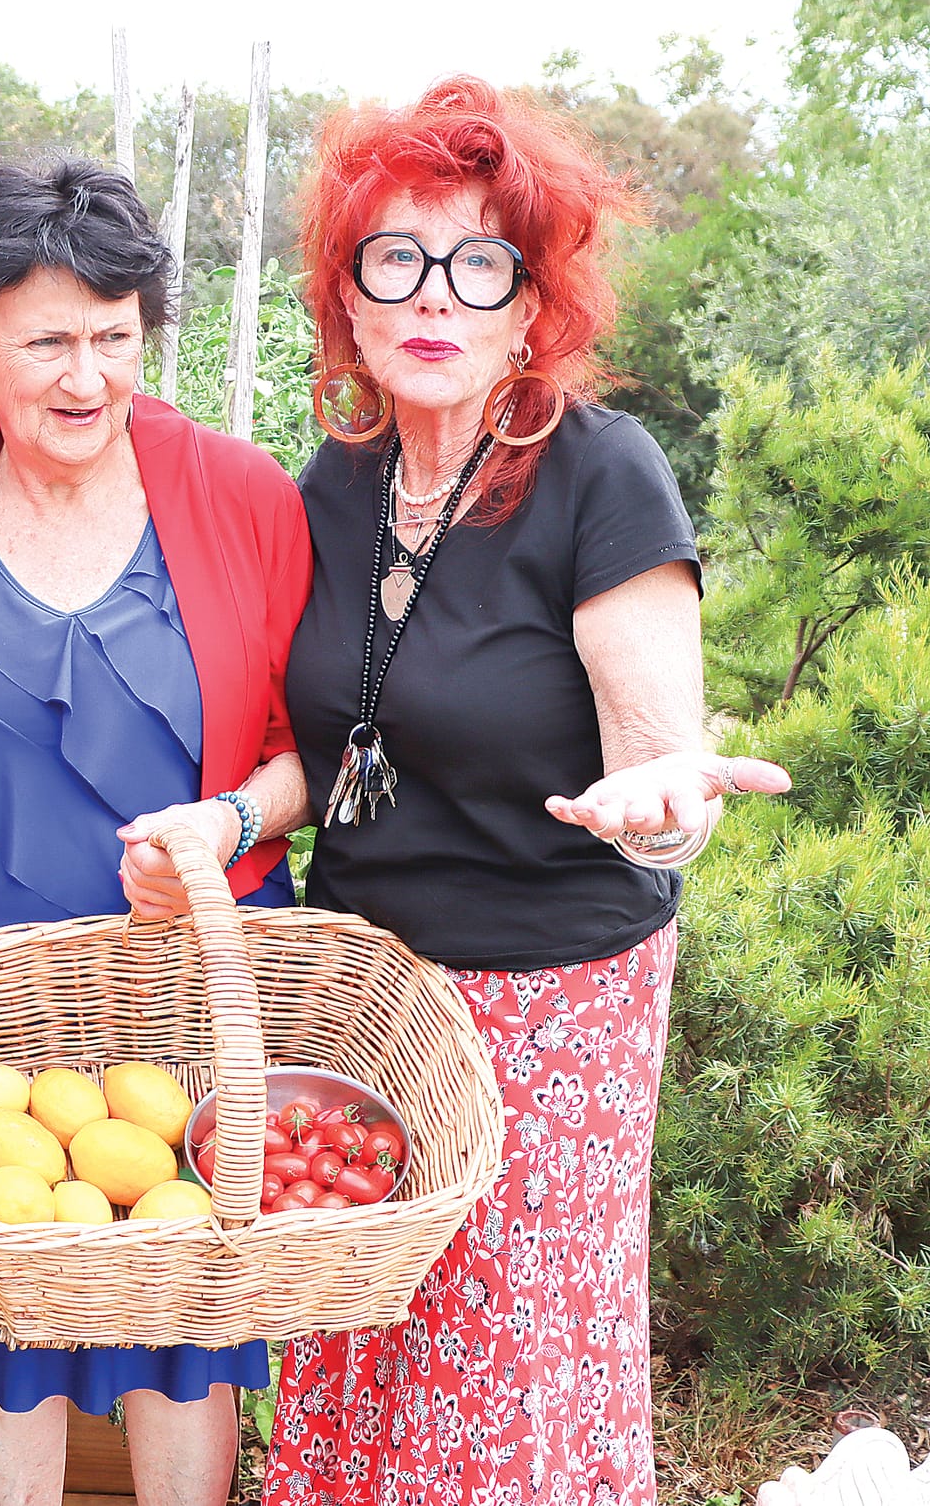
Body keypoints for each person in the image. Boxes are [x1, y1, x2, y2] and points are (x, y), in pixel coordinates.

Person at [265, 77, 791, 1506]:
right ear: (351, 301)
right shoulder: (338, 480)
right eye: (397, 257)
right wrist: (238, 816)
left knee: (501, 1351)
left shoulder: (601, 475)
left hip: (552, 1001)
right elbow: (332, 749)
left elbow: (663, 770)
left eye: (478, 261)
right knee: (361, 1334)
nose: (434, 295)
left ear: (528, 300)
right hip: (369, 993)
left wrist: (665, 807)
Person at [0, 158, 312, 1506]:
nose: (86, 375)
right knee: (1, 1334)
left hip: (190, 982)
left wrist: (230, 817)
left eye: (114, 334)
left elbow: (333, 746)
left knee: (185, 1343)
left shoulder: (245, 499)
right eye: (47, 342)